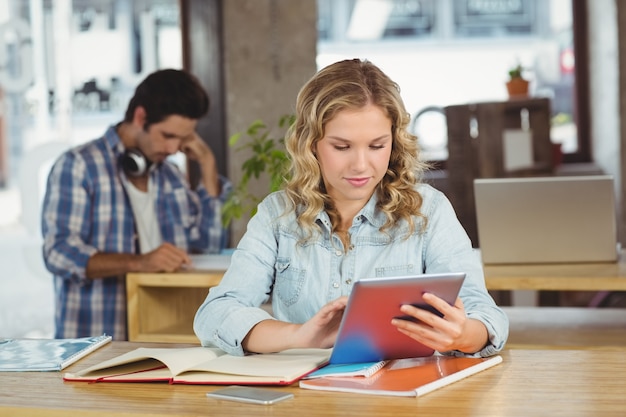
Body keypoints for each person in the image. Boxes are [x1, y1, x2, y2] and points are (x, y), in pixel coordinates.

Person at [193, 59, 508, 357]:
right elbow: (216, 313)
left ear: (395, 142)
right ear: (311, 143)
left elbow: (485, 314)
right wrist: (299, 336)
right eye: (341, 147)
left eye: (377, 145)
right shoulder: (278, 216)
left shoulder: (429, 211)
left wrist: (462, 334)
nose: (360, 165)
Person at [42, 69, 231, 340]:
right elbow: (58, 252)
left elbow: (209, 247)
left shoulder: (171, 176)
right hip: (96, 342)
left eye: (183, 139)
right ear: (140, 117)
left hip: (165, 339)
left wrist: (208, 164)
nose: (174, 148)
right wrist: (139, 262)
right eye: (167, 135)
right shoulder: (79, 166)